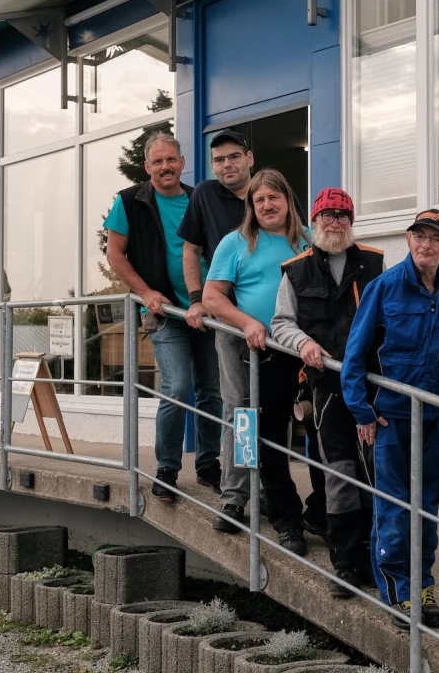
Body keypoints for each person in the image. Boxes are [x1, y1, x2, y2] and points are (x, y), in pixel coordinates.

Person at [341, 209, 439, 628]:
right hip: (390, 420)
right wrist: (362, 410)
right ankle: (398, 593)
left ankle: (423, 586)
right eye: (419, 236)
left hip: (435, 420)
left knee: (426, 507)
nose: (426, 244)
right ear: (408, 240)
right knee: (394, 509)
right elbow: (354, 356)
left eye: (436, 238)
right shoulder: (384, 287)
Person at [271, 188, 384, 597]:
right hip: (327, 388)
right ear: (313, 222)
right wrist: (303, 343)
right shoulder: (295, 270)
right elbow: (280, 323)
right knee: (339, 473)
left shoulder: (375, 262)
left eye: (342, 215)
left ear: (351, 222)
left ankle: (375, 560)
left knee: (374, 472)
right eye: (326, 215)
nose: (334, 222)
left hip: (372, 386)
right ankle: (345, 564)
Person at [104, 132, 222, 502]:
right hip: (166, 311)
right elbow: (116, 255)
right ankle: (167, 468)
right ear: (147, 167)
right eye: (157, 162)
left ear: (182, 162)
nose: (165, 167)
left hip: (207, 309)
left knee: (212, 391)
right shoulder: (129, 201)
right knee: (176, 387)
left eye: (171, 159)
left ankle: (208, 465)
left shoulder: (197, 199)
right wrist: (145, 292)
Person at [202, 169, 312, 554]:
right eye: (259, 199)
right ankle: (234, 497)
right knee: (242, 415)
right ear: (251, 206)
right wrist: (248, 323)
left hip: (288, 351)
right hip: (240, 343)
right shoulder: (235, 243)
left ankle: (270, 492)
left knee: (278, 421)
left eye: (274, 198)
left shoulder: (307, 240)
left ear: (287, 201)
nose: (267, 205)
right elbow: (213, 297)